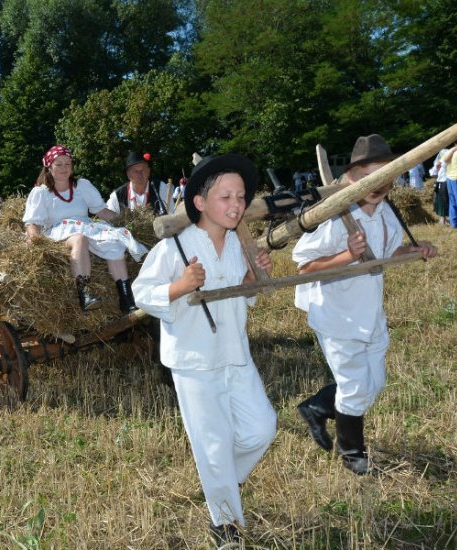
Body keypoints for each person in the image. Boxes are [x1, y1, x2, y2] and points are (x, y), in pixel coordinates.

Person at [132, 154, 277, 544]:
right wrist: (181, 285)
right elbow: (141, 292)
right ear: (199, 202)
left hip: (236, 354)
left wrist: (251, 275)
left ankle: (221, 483)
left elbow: (243, 295)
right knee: (212, 443)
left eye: (241, 196)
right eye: (226, 196)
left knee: (262, 428)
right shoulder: (175, 247)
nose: (236, 204)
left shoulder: (237, 243)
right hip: (195, 361)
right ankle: (225, 524)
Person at [293, 134, 438, 475]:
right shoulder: (332, 216)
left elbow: (386, 256)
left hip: (369, 311)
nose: (378, 184)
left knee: (374, 384)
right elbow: (304, 267)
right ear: (352, 178)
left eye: (385, 176)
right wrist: (347, 255)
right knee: (357, 387)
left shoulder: (388, 214)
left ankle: (317, 406)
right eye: (369, 176)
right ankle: (352, 452)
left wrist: (415, 250)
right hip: (336, 312)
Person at [22, 145, 146, 313]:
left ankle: (126, 298)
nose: (64, 168)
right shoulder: (41, 193)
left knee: (114, 242)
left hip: (85, 226)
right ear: (49, 167)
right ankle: (85, 294)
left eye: (68, 164)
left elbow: (100, 211)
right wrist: (35, 241)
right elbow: (32, 222)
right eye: (59, 164)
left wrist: (127, 221)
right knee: (79, 238)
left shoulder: (81, 186)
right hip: (59, 233)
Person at [106, 151, 172, 215]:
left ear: (149, 171)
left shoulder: (160, 188)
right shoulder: (117, 196)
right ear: (128, 174)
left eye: (143, 170)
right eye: (135, 171)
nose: (140, 174)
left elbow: (172, 215)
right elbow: (106, 222)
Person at [432, 148, 450, 225]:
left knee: (444, 201)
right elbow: (434, 174)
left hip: (445, 182)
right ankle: (443, 219)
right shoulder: (440, 163)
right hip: (443, 183)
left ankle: (444, 219)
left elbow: (433, 174)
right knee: (442, 201)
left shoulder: (443, 162)